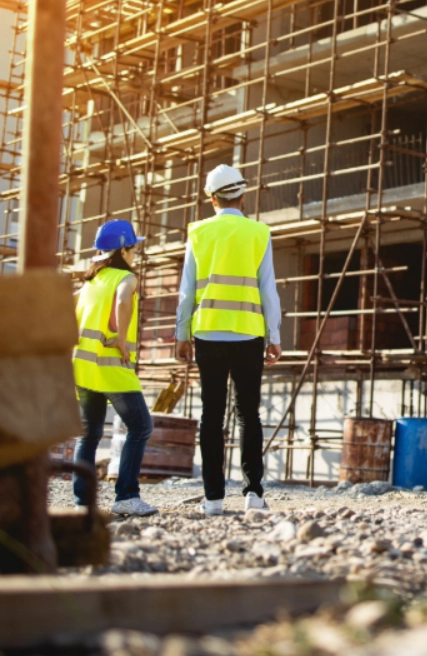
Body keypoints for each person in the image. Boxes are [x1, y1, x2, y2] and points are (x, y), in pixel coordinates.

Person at [176, 164, 282, 516]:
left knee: (211, 415)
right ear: (243, 194)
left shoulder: (198, 233)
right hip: (249, 334)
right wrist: (274, 335)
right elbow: (268, 290)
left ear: (211, 198)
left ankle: (213, 499)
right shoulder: (258, 233)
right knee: (248, 415)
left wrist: (181, 334)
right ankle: (254, 494)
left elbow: (186, 290)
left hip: (207, 333)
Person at [72, 220, 158, 516]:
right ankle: (126, 496)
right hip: (111, 367)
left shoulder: (89, 282)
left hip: (83, 369)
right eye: (133, 247)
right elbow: (123, 301)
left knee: (89, 434)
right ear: (124, 248)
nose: (135, 253)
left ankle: (83, 504)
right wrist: (121, 339)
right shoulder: (127, 278)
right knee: (141, 426)